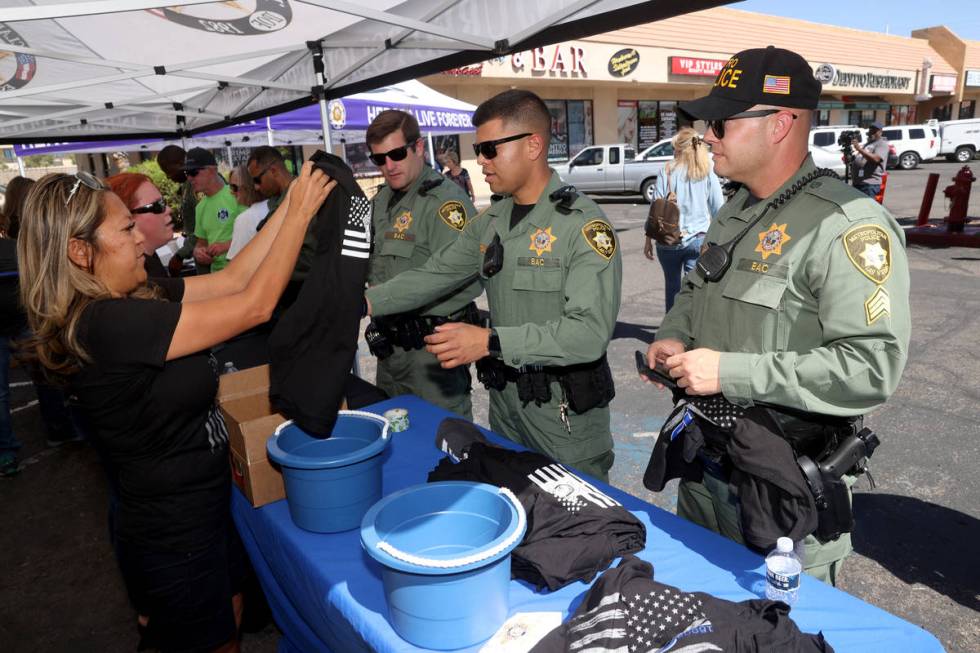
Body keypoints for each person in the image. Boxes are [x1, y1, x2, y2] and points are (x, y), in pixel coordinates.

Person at [16, 164, 332, 652]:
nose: (141, 237)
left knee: (228, 617)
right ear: (81, 252)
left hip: (202, 506)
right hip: (172, 532)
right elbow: (256, 305)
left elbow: (236, 279)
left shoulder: (132, 294)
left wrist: (288, 205)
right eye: (125, 228)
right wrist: (302, 215)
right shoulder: (107, 323)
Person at [644, 46, 910, 585]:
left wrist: (729, 372)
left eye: (721, 122)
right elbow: (697, 288)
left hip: (783, 497)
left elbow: (871, 368)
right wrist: (673, 334)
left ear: (781, 124)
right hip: (706, 470)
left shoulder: (847, 226)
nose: (707, 136)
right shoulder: (736, 210)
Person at [366, 90, 622, 482]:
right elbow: (436, 273)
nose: (480, 161)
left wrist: (488, 343)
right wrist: (365, 301)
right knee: (512, 514)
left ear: (533, 145)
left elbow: (588, 333)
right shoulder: (492, 220)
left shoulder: (581, 226)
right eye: (477, 149)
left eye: (489, 149)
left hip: (563, 419)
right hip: (506, 408)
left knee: (576, 531)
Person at [365, 110, 480, 418]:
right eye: (379, 159)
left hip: (431, 355)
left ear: (418, 148)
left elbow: (448, 275)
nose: (388, 166)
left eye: (396, 154)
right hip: (390, 352)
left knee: (444, 442)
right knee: (393, 442)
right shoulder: (380, 203)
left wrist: (372, 300)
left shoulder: (445, 203)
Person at [643, 127, 724, 311]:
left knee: (672, 286)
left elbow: (655, 208)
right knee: (692, 288)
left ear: (679, 149)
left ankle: (671, 333)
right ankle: (690, 331)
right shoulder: (707, 169)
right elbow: (718, 207)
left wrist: (648, 239)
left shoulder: (667, 170)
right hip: (698, 239)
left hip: (668, 240)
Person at [105, 173, 175, 278]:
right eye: (157, 206)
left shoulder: (149, 261)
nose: (169, 210)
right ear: (127, 220)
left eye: (164, 202)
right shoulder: (136, 277)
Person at [187, 148, 244, 273]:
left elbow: (257, 233)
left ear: (212, 170)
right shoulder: (200, 207)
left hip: (243, 271)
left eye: (193, 172)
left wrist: (225, 246)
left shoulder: (236, 194)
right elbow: (202, 242)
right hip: (218, 276)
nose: (189, 178)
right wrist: (198, 252)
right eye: (187, 173)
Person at [156, 145, 202, 275]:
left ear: (181, 163)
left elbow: (205, 224)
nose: (168, 177)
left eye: (168, 170)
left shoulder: (198, 183)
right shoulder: (188, 185)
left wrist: (180, 255)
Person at [0, 234, 23, 476]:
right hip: (20, 319)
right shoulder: (14, 246)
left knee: (46, 375)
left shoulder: (13, 245)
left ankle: (61, 429)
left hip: (22, 319)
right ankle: (5, 450)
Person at [227, 163, 270, 261]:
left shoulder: (245, 219)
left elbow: (235, 263)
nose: (231, 192)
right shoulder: (276, 206)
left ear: (247, 186)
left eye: (234, 187)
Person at [850, 121, 889, 198]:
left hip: (869, 184)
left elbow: (876, 159)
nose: (872, 132)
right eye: (870, 130)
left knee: (865, 209)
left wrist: (859, 149)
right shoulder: (868, 144)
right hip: (859, 183)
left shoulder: (882, 144)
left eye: (875, 131)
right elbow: (861, 157)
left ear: (880, 132)